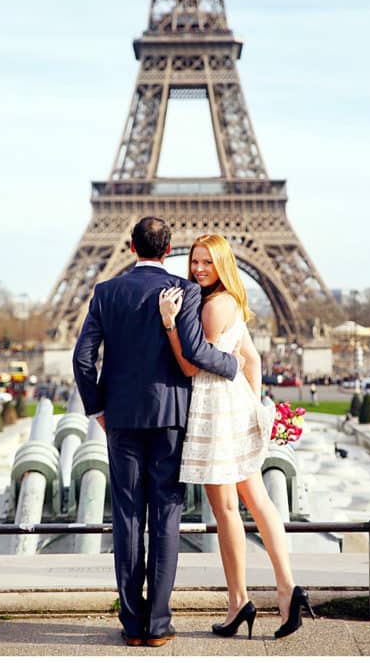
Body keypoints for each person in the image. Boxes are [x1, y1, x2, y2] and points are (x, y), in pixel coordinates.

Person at [72, 216, 242, 648]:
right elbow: (195, 352)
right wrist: (233, 365)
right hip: (170, 416)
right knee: (166, 518)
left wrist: (97, 409)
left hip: (122, 419)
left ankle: (132, 624)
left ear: (131, 247)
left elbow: (83, 359)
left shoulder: (106, 292)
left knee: (127, 518)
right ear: (170, 251)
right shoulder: (183, 291)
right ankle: (159, 623)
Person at [158, 233, 314, 640]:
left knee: (227, 510)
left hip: (213, 410)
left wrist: (171, 325)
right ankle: (286, 589)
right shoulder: (234, 301)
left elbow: (193, 367)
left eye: (207, 263)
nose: (198, 269)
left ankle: (238, 601)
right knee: (259, 503)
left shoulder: (211, 306)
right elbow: (252, 359)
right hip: (236, 406)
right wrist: (253, 405)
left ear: (222, 264)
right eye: (195, 262)